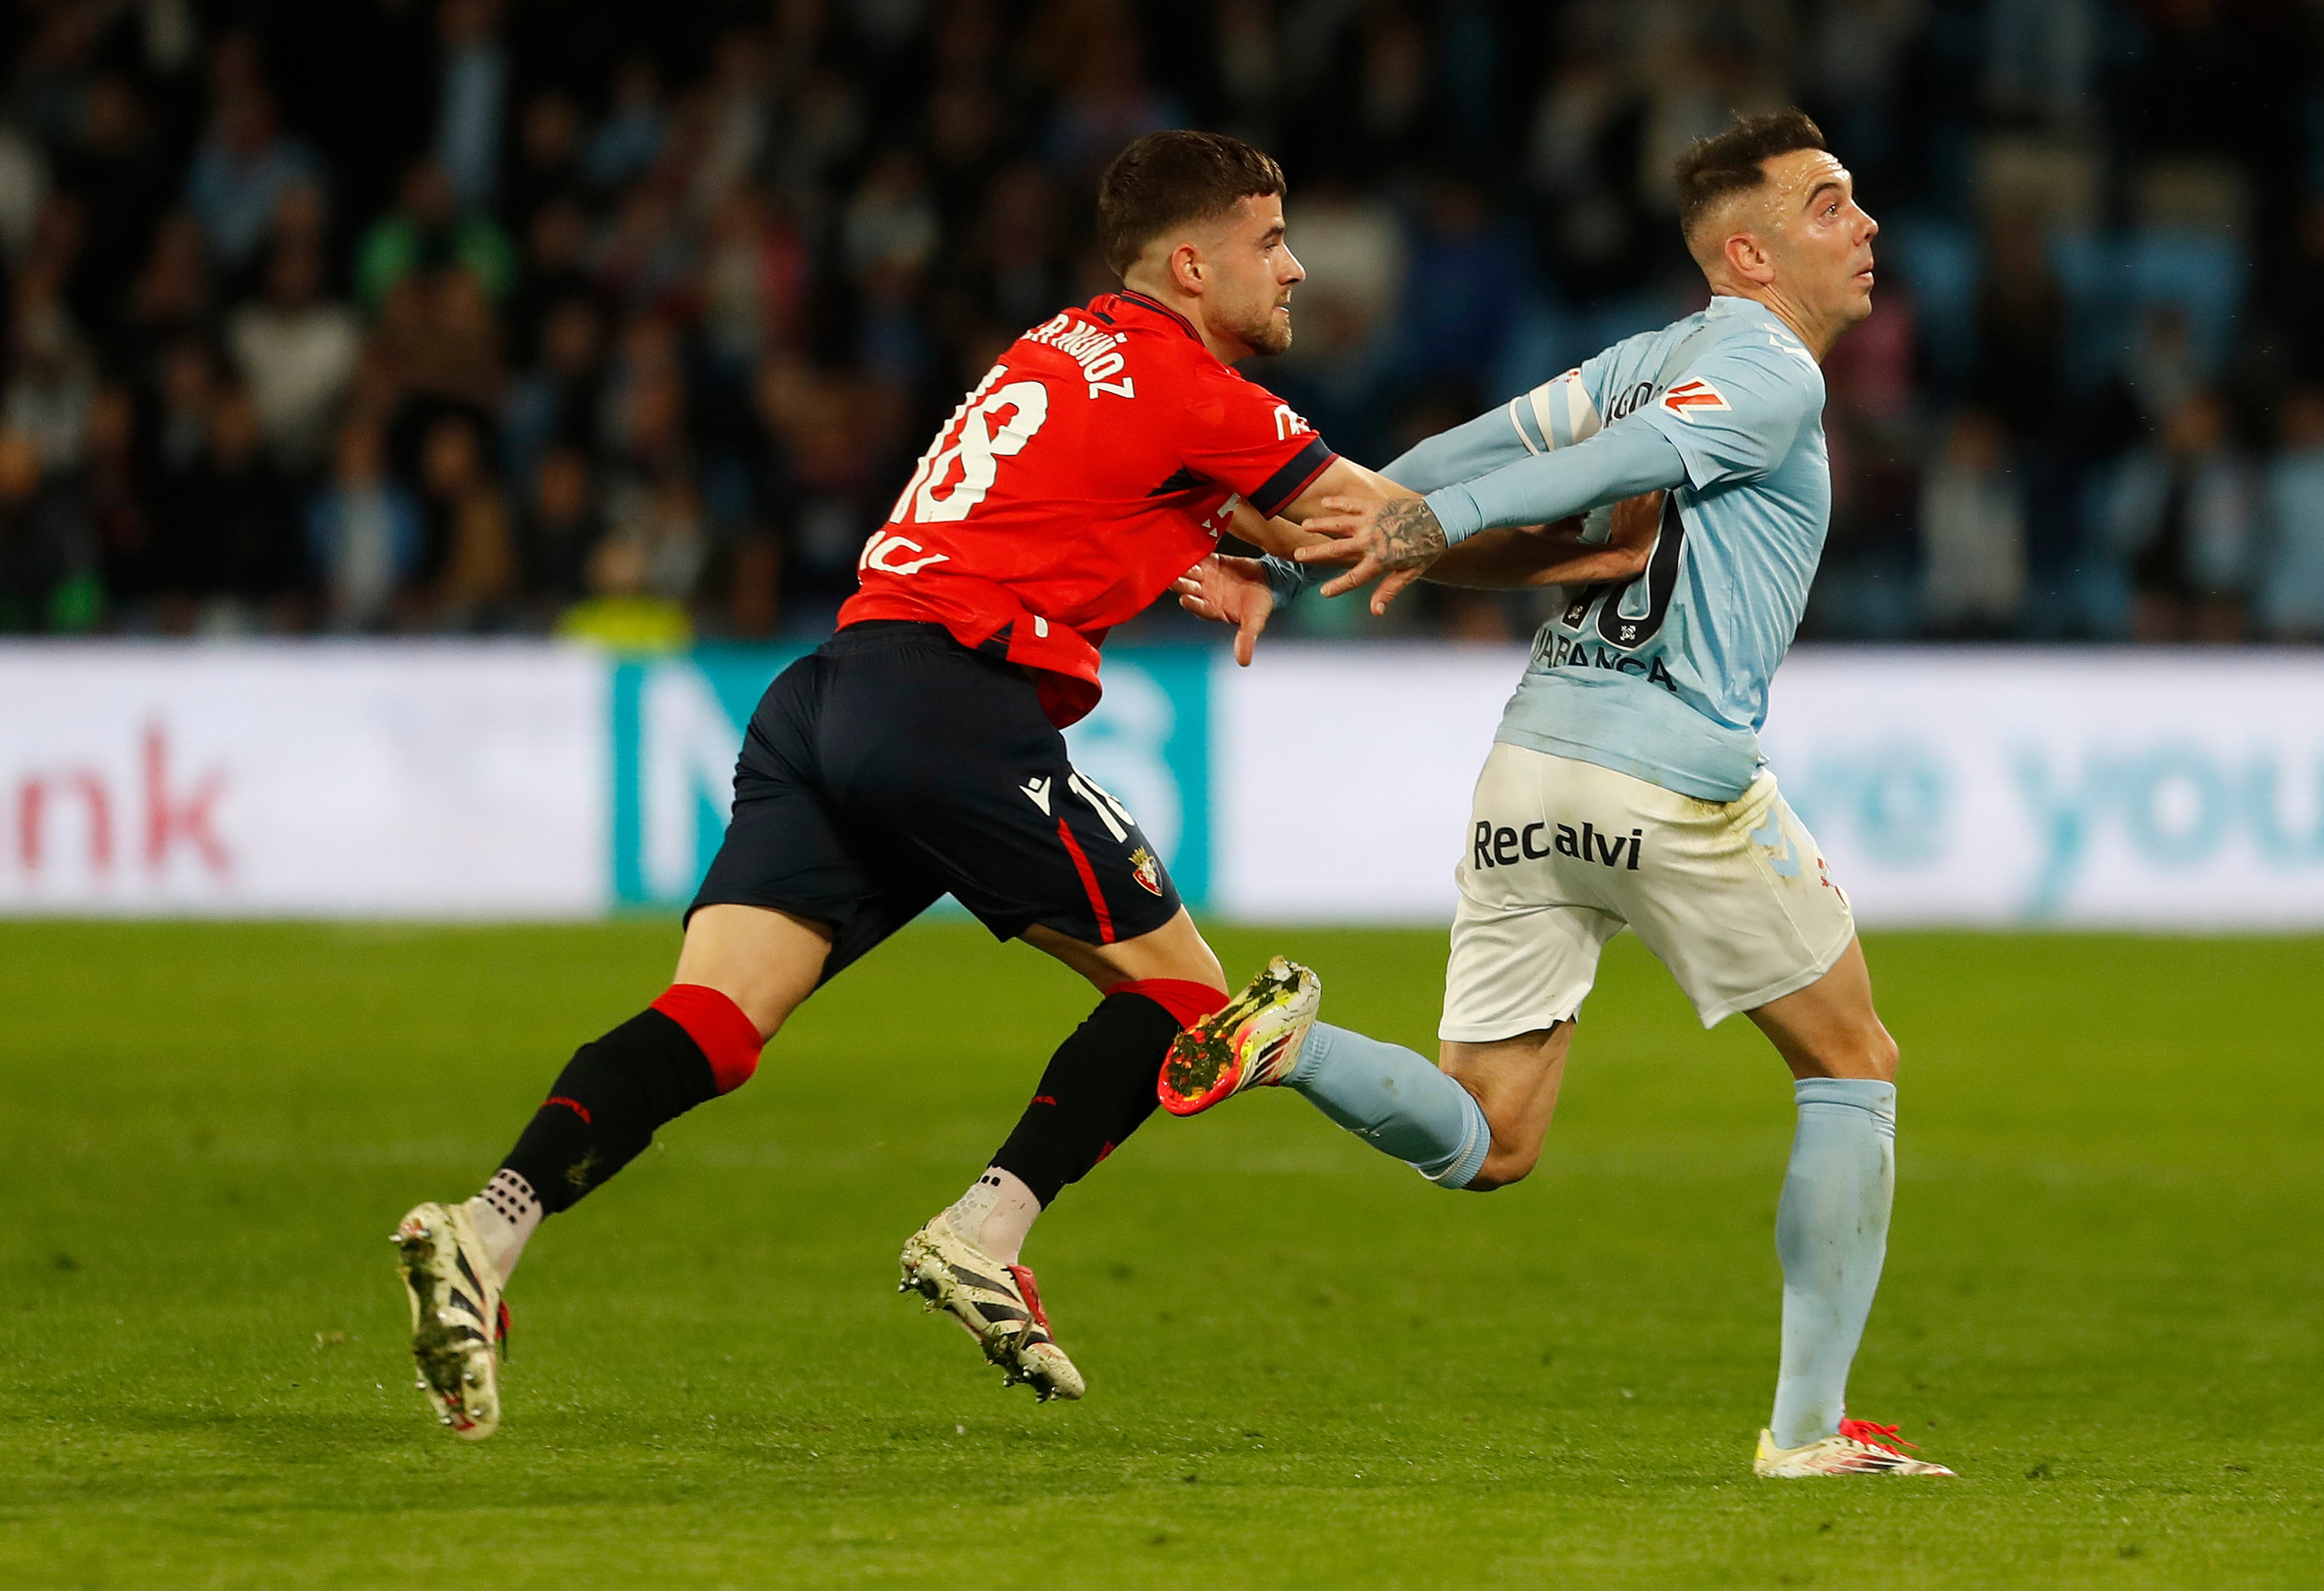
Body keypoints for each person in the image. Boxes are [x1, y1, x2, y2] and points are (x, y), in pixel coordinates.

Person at [389, 132, 1622, 1439]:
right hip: (957, 709)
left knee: (717, 1017)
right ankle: (987, 1230)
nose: (1297, 268)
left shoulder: (1059, 345)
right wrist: (1598, 552)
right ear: (1192, 264)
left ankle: (490, 1224)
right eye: (1270, 242)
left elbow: (1227, 519)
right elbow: (1387, 525)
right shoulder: (1187, 385)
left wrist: (1212, 546)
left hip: (830, 693)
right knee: (1195, 1006)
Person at [1166, 112, 1952, 1481]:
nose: (1867, 224)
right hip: (1676, 784)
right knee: (1853, 1065)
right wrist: (1426, 527)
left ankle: (1291, 1045)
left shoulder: (1648, 358)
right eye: (1831, 205)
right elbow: (1593, 474)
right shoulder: (1765, 370)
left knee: (1488, 1141)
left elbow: (1462, 450)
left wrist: (1286, 548)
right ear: (1752, 253)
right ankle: (1810, 1434)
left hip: (1530, 773)